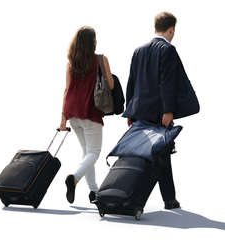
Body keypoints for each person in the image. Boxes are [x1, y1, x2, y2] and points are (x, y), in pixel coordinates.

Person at [122, 11, 183, 209]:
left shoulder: (138, 50)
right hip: (158, 112)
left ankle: (168, 199)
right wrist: (168, 111)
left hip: (139, 111)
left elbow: (131, 82)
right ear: (171, 29)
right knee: (160, 153)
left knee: (153, 153)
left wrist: (129, 111)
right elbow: (167, 83)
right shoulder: (168, 50)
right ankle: (164, 198)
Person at [60, 26, 114, 204]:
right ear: (92, 42)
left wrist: (63, 118)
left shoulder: (70, 62)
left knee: (86, 152)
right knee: (94, 152)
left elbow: (67, 89)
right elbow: (111, 85)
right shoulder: (100, 59)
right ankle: (73, 178)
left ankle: (94, 191)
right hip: (90, 110)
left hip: (72, 111)